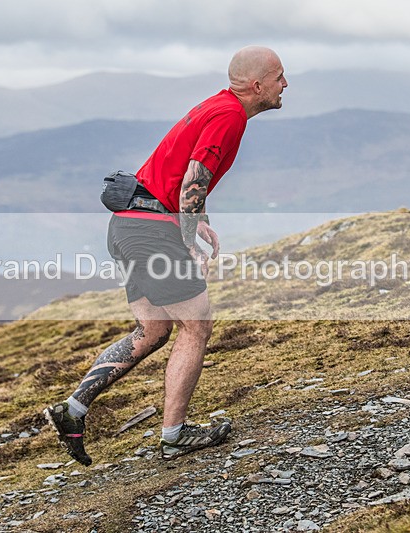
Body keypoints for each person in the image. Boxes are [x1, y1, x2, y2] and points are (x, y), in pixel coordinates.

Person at [44, 45, 287, 465]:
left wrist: (196, 218)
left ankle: (73, 409)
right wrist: (188, 239)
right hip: (150, 232)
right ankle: (174, 435)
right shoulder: (228, 116)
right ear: (257, 85)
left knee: (153, 330)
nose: (286, 84)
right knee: (197, 327)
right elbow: (193, 179)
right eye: (280, 76)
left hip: (127, 225)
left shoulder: (217, 106)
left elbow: (182, 176)